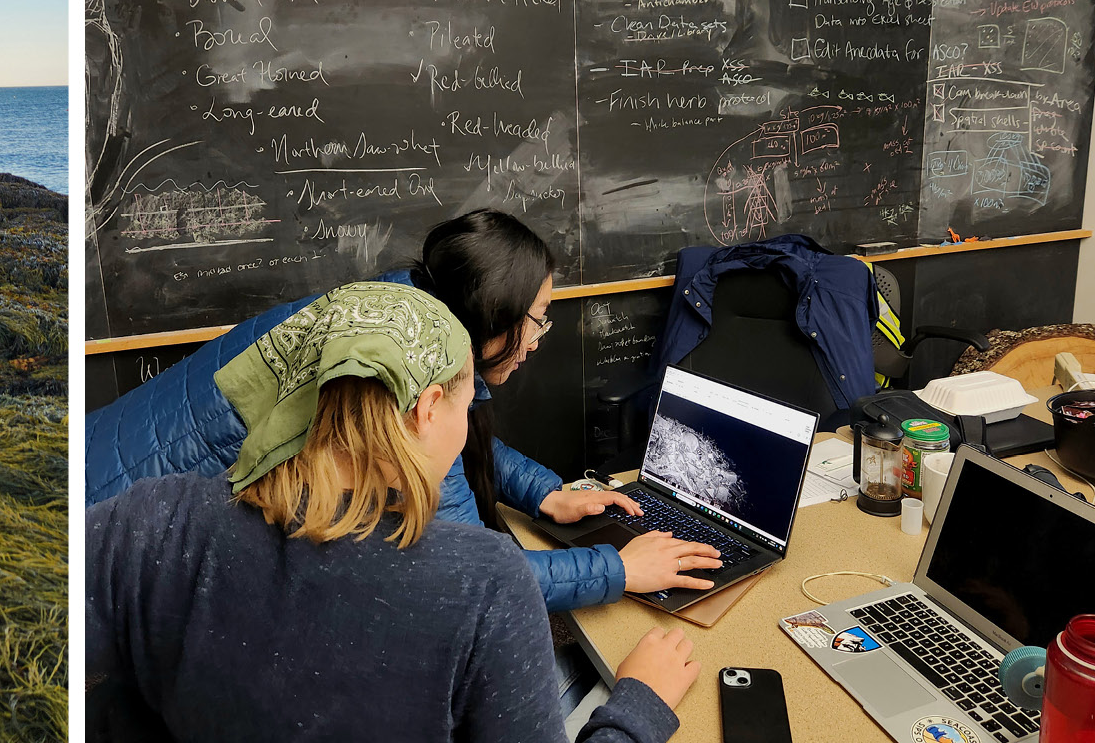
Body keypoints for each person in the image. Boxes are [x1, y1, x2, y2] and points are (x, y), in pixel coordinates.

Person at [87, 281, 697, 742]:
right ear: (428, 407)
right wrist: (637, 706)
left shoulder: (152, 521)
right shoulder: (484, 586)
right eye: (466, 408)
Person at [84, 209, 719, 611]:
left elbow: (460, 441)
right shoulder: (405, 384)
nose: (536, 341)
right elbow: (465, 572)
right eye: (534, 322)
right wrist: (619, 567)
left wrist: (546, 494)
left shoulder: (398, 311)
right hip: (99, 558)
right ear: (490, 320)